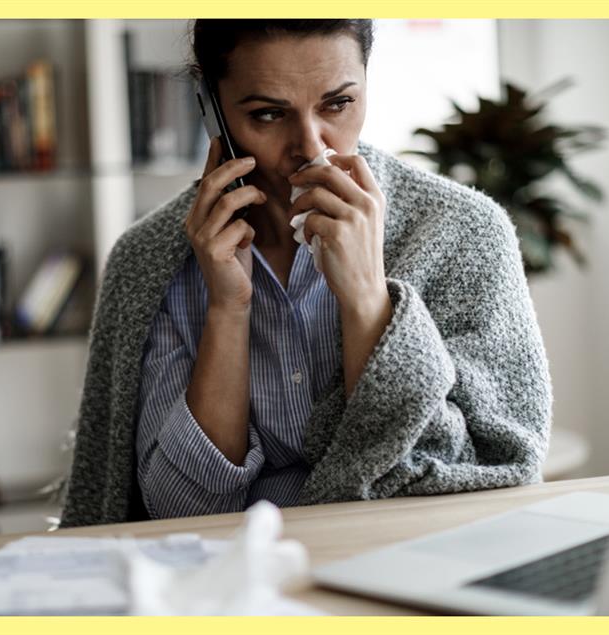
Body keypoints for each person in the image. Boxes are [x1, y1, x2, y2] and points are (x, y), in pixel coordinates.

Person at [60, 19, 552, 527]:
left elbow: (474, 483)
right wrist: (228, 309)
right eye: (269, 114)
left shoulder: (462, 233)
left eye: (338, 104)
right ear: (211, 109)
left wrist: (366, 299)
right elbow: (183, 513)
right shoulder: (148, 261)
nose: (311, 147)